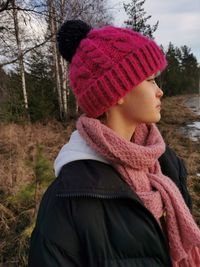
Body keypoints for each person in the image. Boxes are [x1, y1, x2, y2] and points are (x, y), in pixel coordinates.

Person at [28, 20, 200, 267]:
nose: (159, 91)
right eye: (150, 80)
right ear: (118, 91)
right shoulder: (68, 200)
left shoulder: (166, 163)